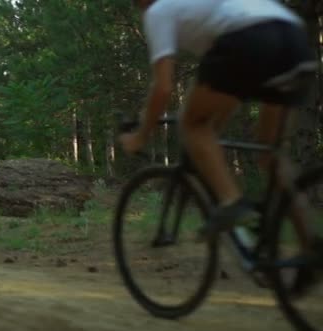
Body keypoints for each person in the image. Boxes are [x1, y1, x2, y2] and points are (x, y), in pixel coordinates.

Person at [121, 0, 320, 291]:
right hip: (294, 40)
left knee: (192, 124)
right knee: (270, 154)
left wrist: (141, 134)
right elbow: (230, 87)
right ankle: (310, 247)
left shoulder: (159, 10)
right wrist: (209, 132)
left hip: (250, 40)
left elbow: (163, 88)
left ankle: (232, 203)